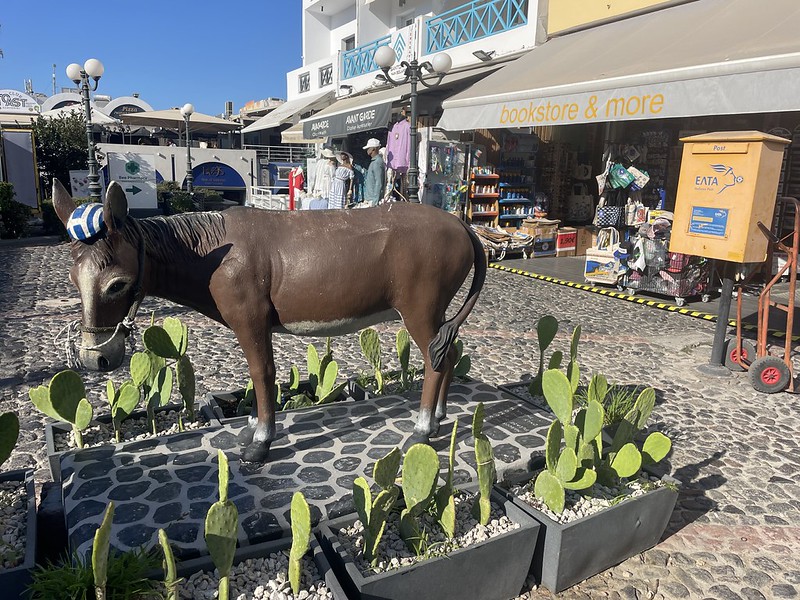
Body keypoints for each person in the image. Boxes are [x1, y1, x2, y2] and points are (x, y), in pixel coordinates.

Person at [363, 138, 386, 206]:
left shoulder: (377, 162)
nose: (367, 150)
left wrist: (375, 201)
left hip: (372, 200)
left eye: (368, 148)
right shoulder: (374, 162)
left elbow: (378, 182)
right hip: (370, 198)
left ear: (373, 149)